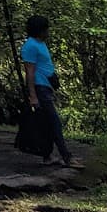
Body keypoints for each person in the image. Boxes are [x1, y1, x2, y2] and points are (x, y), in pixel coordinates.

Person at [20, 15, 77, 168]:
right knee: (54, 123)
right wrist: (33, 96)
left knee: (47, 124)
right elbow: (29, 72)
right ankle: (67, 157)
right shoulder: (30, 46)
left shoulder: (41, 44)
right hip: (40, 88)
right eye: (46, 29)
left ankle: (48, 156)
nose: (48, 31)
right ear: (40, 30)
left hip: (47, 86)